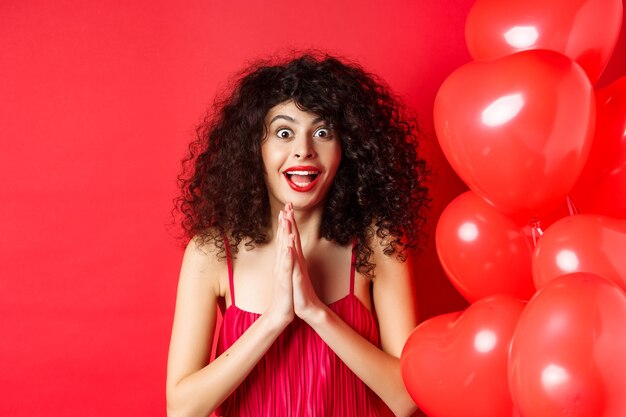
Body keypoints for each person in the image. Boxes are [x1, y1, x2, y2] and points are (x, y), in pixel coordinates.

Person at [166, 52, 429, 417]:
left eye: (322, 133)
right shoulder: (212, 252)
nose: (304, 150)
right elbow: (182, 410)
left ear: (346, 149)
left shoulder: (379, 244)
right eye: (284, 133)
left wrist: (315, 312)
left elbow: (407, 399)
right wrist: (276, 318)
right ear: (254, 148)